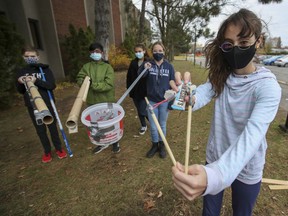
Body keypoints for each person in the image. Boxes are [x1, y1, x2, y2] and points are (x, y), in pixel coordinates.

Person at [172, 9, 281, 216]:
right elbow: (202, 93)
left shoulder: (267, 87)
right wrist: (187, 97)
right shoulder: (222, 75)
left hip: (247, 167)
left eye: (244, 43)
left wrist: (216, 174)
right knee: (209, 212)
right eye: (229, 44)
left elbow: (253, 135)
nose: (236, 49)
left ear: (258, 41)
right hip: (215, 157)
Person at [16, 46, 67, 163]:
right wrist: (20, 82)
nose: (30, 58)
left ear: (37, 57)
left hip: (47, 104)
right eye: (27, 56)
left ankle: (58, 148)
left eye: (32, 56)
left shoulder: (44, 70)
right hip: (33, 106)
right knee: (40, 129)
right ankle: (47, 151)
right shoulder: (21, 72)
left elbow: (51, 85)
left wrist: (36, 81)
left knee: (52, 127)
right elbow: (20, 90)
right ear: (23, 57)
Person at [76, 42, 120, 154]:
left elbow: (108, 84)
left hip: (106, 101)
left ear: (102, 53)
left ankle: (115, 142)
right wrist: (83, 82)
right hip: (92, 102)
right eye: (93, 52)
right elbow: (80, 78)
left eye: (97, 51)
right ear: (90, 53)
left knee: (110, 122)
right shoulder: (86, 67)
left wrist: (92, 85)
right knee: (96, 124)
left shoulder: (107, 67)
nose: (95, 53)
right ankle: (102, 143)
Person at [142, 41, 176, 159]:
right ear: (152, 52)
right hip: (151, 101)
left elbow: (172, 83)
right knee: (153, 125)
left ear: (164, 52)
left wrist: (171, 101)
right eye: (155, 51)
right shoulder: (148, 65)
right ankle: (154, 145)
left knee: (162, 124)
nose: (158, 53)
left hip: (164, 101)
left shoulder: (169, 66)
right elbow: (140, 77)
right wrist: (144, 68)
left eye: (160, 51)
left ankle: (162, 145)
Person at [126, 43, 149, 135]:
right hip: (135, 91)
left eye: (139, 51)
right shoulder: (133, 63)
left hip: (145, 91)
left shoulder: (149, 62)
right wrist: (129, 88)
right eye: (136, 52)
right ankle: (143, 125)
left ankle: (152, 122)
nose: (138, 53)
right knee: (139, 109)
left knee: (143, 109)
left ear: (144, 51)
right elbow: (129, 77)